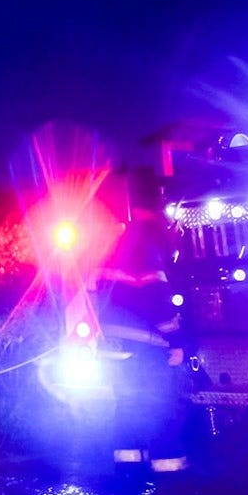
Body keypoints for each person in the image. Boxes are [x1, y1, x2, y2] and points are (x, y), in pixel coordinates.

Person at [92, 182, 189, 474]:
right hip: (145, 345)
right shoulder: (147, 247)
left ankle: (128, 465)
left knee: (126, 403)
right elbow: (157, 300)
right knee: (160, 404)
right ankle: (169, 467)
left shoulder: (114, 248)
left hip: (114, 345)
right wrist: (176, 342)